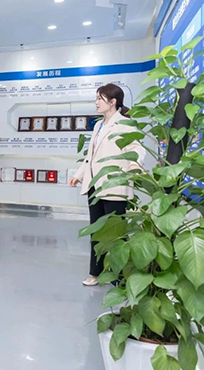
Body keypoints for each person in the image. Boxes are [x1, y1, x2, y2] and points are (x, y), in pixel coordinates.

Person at [69, 83, 145, 286]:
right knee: (97, 231)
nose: (96, 102)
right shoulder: (98, 125)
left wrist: (134, 165)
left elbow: (136, 147)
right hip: (94, 186)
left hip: (114, 186)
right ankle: (95, 273)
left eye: (99, 99)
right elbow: (91, 156)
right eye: (96, 98)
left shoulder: (124, 124)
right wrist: (79, 175)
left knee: (115, 234)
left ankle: (119, 276)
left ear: (113, 102)